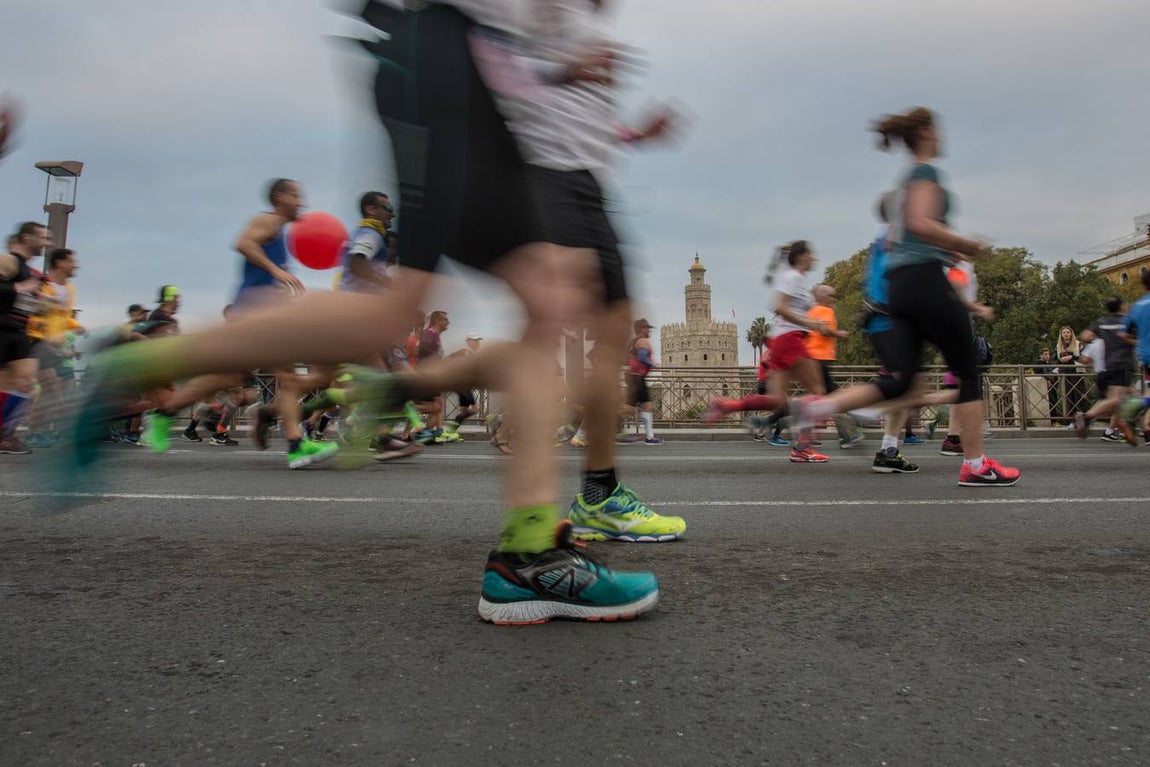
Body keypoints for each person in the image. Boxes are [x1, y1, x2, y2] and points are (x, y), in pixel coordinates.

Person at [60, 1, 659, 625]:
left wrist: (562, 71)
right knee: (398, 313)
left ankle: (530, 551)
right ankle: (133, 364)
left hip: (465, 77)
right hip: (443, 70)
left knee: (551, 297)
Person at [791, 107, 1020, 486]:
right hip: (923, 280)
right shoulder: (924, 172)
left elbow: (904, 236)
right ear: (927, 133)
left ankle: (818, 408)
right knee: (967, 371)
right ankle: (976, 464)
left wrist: (946, 251)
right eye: (937, 129)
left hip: (899, 287)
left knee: (901, 380)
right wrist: (964, 243)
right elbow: (920, 223)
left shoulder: (901, 187)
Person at [25, 247, 84, 447]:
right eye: (72, 261)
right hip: (40, 340)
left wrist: (77, 326)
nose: (76, 265)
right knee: (50, 389)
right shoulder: (43, 285)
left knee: (62, 393)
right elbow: (33, 312)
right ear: (60, 263)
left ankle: (49, 431)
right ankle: (34, 433)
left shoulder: (69, 288)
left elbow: (63, 316)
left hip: (57, 345)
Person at [0, 222, 49, 454]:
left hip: (18, 333)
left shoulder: (29, 271)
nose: (46, 243)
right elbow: (11, 291)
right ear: (27, 238)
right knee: (15, 386)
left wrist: (40, 303)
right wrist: (20, 288)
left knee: (29, 386)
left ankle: (5, 436)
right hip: (2, 330)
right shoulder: (8, 261)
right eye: (42, 237)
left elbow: (24, 301)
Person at [1074, 296, 1135, 441]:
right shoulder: (1127, 322)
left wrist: (1102, 338)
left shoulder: (1102, 322)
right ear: (1121, 306)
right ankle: (1087, 417)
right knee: (1117, 400)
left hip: (1108, 365)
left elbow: (1085, 335)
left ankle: (1119, 427)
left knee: (1119, 400)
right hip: (1123, 363)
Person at [623, 319, 663, 446]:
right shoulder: (642, 341)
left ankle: (650, 437)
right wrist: (653, 364)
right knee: (627, 409)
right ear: (641, 329)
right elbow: (642, 357)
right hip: (637, 378)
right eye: (647, 328)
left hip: (635, 376)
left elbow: (626, 360)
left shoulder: (632, 342)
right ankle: (596, 426)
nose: (649, 330)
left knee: (647, 406)